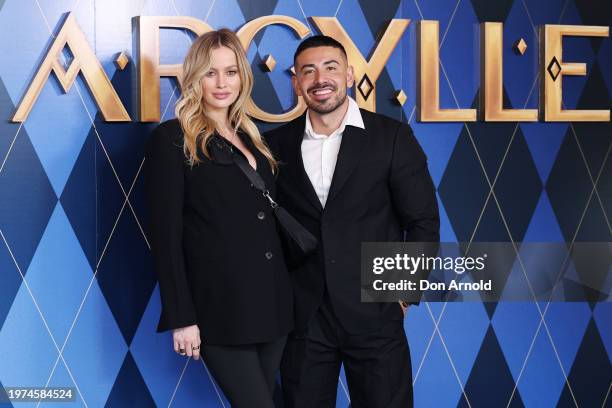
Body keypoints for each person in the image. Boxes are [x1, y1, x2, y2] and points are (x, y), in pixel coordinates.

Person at [264, 35, 440, 408]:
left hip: (376, 311)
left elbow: (423, 221)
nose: (319, 78)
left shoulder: (391, 137)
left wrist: (403, 297)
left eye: (330, 67)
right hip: (305, 317)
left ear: (349, 75)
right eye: (307, 71)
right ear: (296, 82)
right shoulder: (274, 145)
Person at [144, 29, 293, 408]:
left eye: (231, 72)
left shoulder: (251, 135)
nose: (222, 83)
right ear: (194, 78)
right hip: (220, 307)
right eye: (211, 73)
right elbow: (166, 236)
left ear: (243, 76)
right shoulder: (172, 139)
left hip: (273, 304)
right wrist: (182, 317)